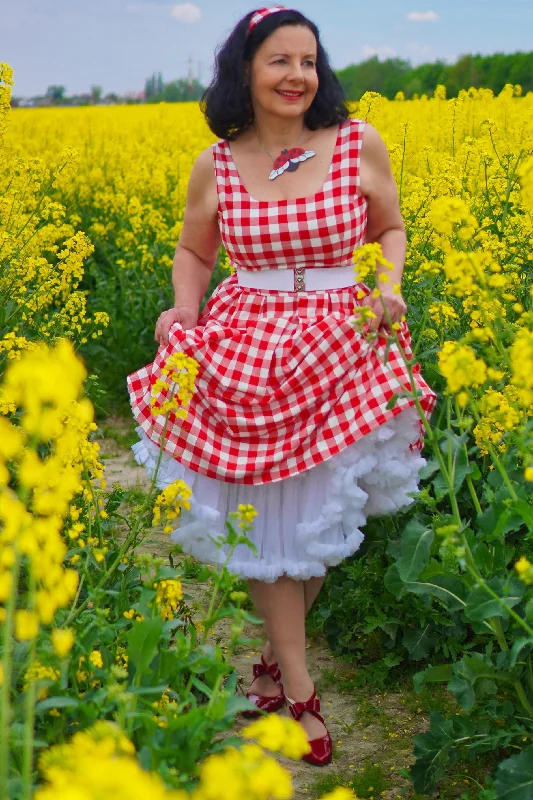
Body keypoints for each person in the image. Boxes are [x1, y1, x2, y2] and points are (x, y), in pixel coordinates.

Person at [127, 5, 437, 766]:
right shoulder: (218, 163)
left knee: (322, 517)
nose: (297, 75)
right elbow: (194, 251)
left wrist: (387, 284)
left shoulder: (357, 141)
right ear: (244, 71)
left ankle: (270, 660)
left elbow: (389, 227)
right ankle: (298, 690)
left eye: (308, 60)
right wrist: (183, 308)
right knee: (270, 517)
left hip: (344, 334)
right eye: (278, 61)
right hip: (249, 341)